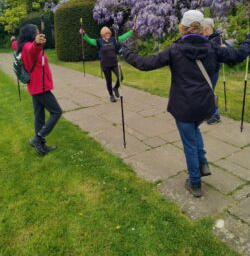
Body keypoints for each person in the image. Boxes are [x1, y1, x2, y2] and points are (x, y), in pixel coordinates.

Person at [121, 10, 250, 197]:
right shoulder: (213, 48)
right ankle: (203, 162)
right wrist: (248, 40)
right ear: (201, 27)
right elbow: (238, 55)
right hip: (205, 106)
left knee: (189, 141)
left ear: (183, 27)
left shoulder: (175, 50)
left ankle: (195, 183)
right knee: (195, 130)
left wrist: (125, 51)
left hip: (183, 106)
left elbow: (145, 63)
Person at [15, 24, 62, 156]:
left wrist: (37, 44)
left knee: (39, 116)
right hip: (40, 87)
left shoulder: (25, 46)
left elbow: (33, 50)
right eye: (36, 32)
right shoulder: (27, 47)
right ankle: (38, 138)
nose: (38, 33)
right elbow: (32, 50)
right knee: (57, 112)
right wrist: (36, 43)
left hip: (36, 87)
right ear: (31, 34)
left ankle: (41, 145)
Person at [79, 26, 133, 102]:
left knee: (121, 77)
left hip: (114, 63)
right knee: (109, 81)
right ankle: (111, 95)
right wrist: (84, 34)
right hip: (105, 65)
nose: (108, 34)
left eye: (109, 33)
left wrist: (131, 32)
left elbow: (122, 37)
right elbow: (89, 40)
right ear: (103, 34)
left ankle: (116, 88)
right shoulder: (99, 41)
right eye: (106, 33)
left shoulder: (113, 40)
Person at [202, 18, 223, 124]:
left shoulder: (215, 38)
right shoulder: (208, 37)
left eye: (204, 28)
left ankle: (215, 115)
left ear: (208, 27)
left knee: (209, 92)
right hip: (207, 69)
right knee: (207, 91)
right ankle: (210, 113)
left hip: (213, 70)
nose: (202, 30)